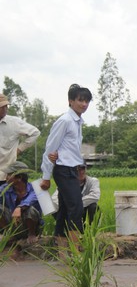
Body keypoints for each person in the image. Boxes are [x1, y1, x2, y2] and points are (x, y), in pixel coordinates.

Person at [40, 84, 92, 247]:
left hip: (72, 169)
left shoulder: (77, 122)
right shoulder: (65, 121)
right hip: (63, 170)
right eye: (80, 100)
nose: (84, 104)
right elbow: (50, 148)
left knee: (63, 210)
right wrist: (46, 177)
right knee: (76, 208)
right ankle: (76, 250)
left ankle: (62, 251)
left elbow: (67, 149)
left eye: (87, 101)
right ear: (70, 101)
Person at [0, 93, 40, 186]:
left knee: (6, 199)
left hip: (6, 175)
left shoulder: (14, 123)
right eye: (2, 106)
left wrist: (19, 149)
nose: (5, 108)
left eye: (6, 106)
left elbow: (35, 133)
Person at [0, 161, 42, 244]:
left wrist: (20, 207)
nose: (6, 177)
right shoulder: (4, 188)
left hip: (30, 224)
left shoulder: (35, 188)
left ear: (19, 178)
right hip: (13, 223)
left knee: (30, 209)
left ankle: (31, 234)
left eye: (9, 175)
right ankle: (9, 233)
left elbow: (30, 199)